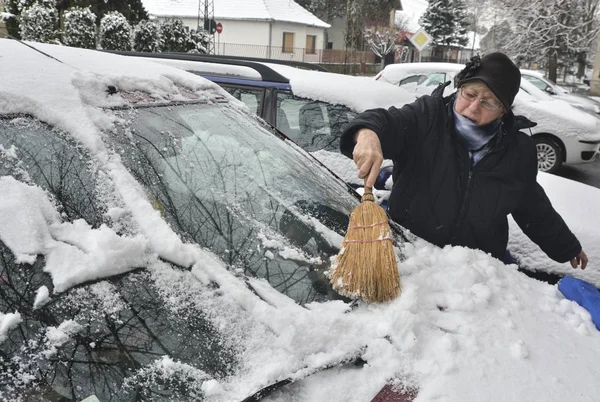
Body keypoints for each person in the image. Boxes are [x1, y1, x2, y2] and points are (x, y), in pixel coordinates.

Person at [340, 52, 588, 269]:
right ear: (460, 89)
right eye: (469, 94)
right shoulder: (427, 118)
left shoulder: (517, 151)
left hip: (473, 272)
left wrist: (566, 247)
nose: (472, 107)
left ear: (504, 110)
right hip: (411, 258)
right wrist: (367, 134)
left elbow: (532, 206)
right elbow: (385, 122)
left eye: (488, 102)